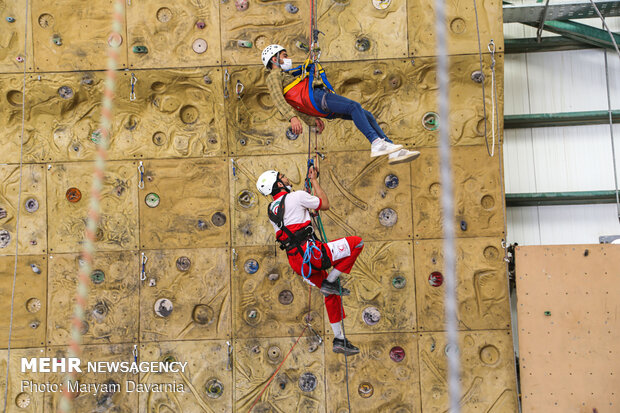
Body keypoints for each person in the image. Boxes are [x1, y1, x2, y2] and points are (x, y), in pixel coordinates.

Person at [256, 167, 363, 355]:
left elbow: (291, 228)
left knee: (331, 294)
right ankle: (330, 281)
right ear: (279, 184)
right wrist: (314, 181)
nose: (286, 177)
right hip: (313, 253)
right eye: (282, 176)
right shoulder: (296, 196)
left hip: (298, 262)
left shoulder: (271, 210)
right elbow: (325, 204)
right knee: (357, 243)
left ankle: (339, 340)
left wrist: (308, 215)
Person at [261, 44, 420, 165]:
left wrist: (310, 120)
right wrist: (292, 119)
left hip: (318, 103)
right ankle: (376, 142)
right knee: (354, 106)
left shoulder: (286, 75)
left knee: (367, 115)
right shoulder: (273, 76)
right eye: (284, 55)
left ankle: (391, 149)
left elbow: (295, 103)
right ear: (274, 59)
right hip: (317, 98)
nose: (288, 58)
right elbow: (278, 100)